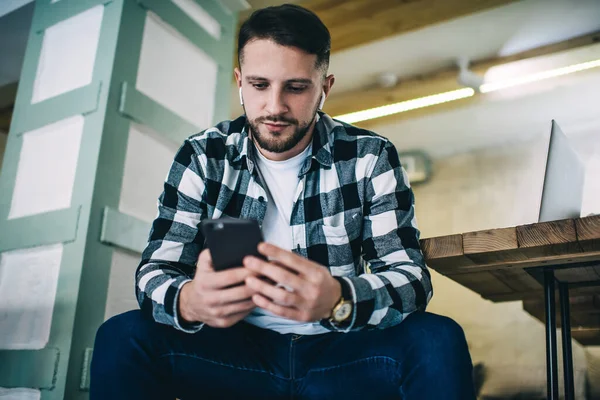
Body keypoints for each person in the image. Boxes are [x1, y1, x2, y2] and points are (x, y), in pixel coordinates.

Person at [90, 4, 475, 399]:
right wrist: (191, 301)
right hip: (232, 352)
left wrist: (338, 299)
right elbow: (155, 271)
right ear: (239, 82)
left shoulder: (369, 156)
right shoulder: (203, 156)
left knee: (437, 338)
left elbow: (410, 279)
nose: (274, 107)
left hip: (340, 349)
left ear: (324, 89)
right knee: (123, 336)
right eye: (259, 85)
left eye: (295, 87)